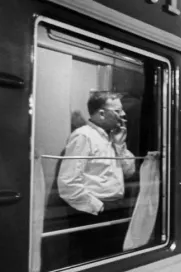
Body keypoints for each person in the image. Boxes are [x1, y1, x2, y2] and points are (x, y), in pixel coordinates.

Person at [57, 91, 136, 261]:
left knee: (113, 259)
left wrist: (120, 144)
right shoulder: (83, 136)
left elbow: (129, 172)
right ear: (101, 113)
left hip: (114, 208)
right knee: (93, 259)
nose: (123, 115)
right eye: (117, 111)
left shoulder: (112, 138)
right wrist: (98, 207)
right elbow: (68, 183)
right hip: (93, 212)